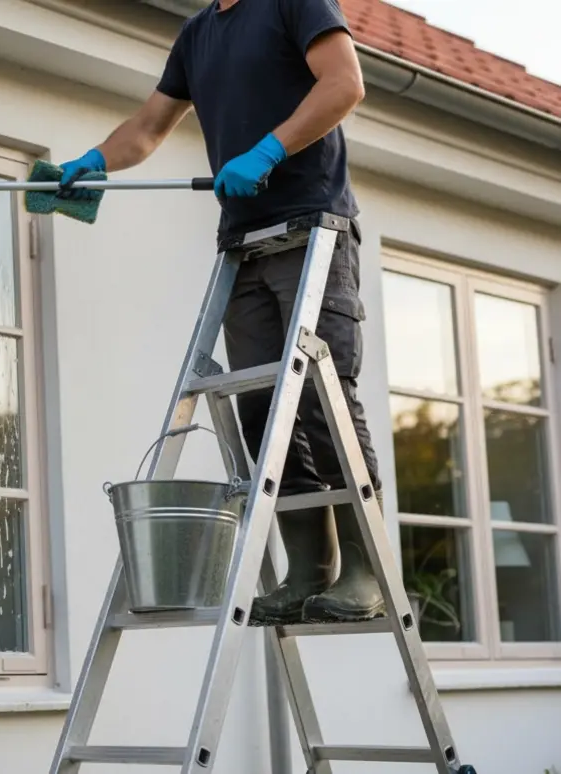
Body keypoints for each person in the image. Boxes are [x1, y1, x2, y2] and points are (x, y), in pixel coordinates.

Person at [57, 0, 382, 625]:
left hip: (314, 229)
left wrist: (268, 150)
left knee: (322, 401)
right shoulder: (198, 34)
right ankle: (309, 570)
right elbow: (148, 127)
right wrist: (96, 161)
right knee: (261, 410)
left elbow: (345, 84)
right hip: (245, 245)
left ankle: (365, 569)